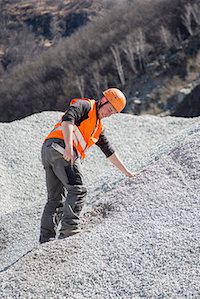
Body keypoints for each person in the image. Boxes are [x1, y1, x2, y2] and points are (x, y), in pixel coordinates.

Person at [39, 88, 135, 244]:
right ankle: (69, 231)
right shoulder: (85, 106)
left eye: (112, 113)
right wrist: (69, 146)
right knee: (78, 189)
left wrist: (127, 172)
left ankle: (46, 241)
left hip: (49, 150)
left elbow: (108, 151)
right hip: (61, 149)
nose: (108, 114)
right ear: (103, 100)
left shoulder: (98, 127)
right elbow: (68, 119)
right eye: (109, 109)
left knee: (55, 200)